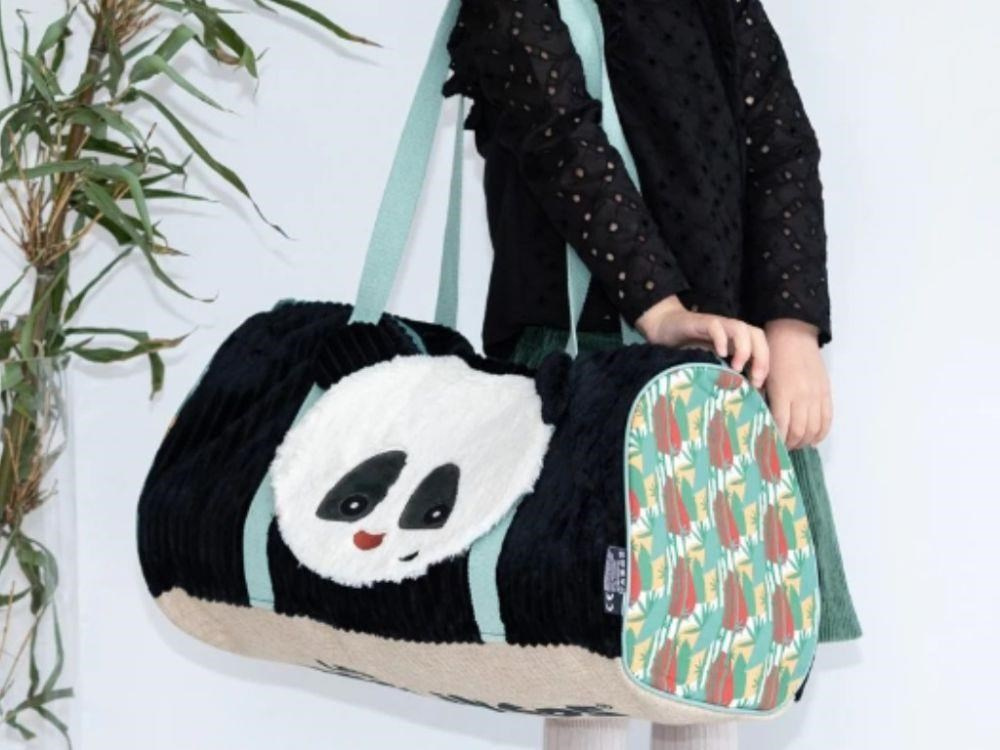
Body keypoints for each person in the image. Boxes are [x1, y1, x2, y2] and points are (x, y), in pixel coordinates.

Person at [441, 1, 863, 748]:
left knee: (716, 650)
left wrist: (793, 331)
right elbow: (558, 133)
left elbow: (781, 145)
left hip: (720, 364)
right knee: (584, 656)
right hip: (583, 357)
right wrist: (659, 308)